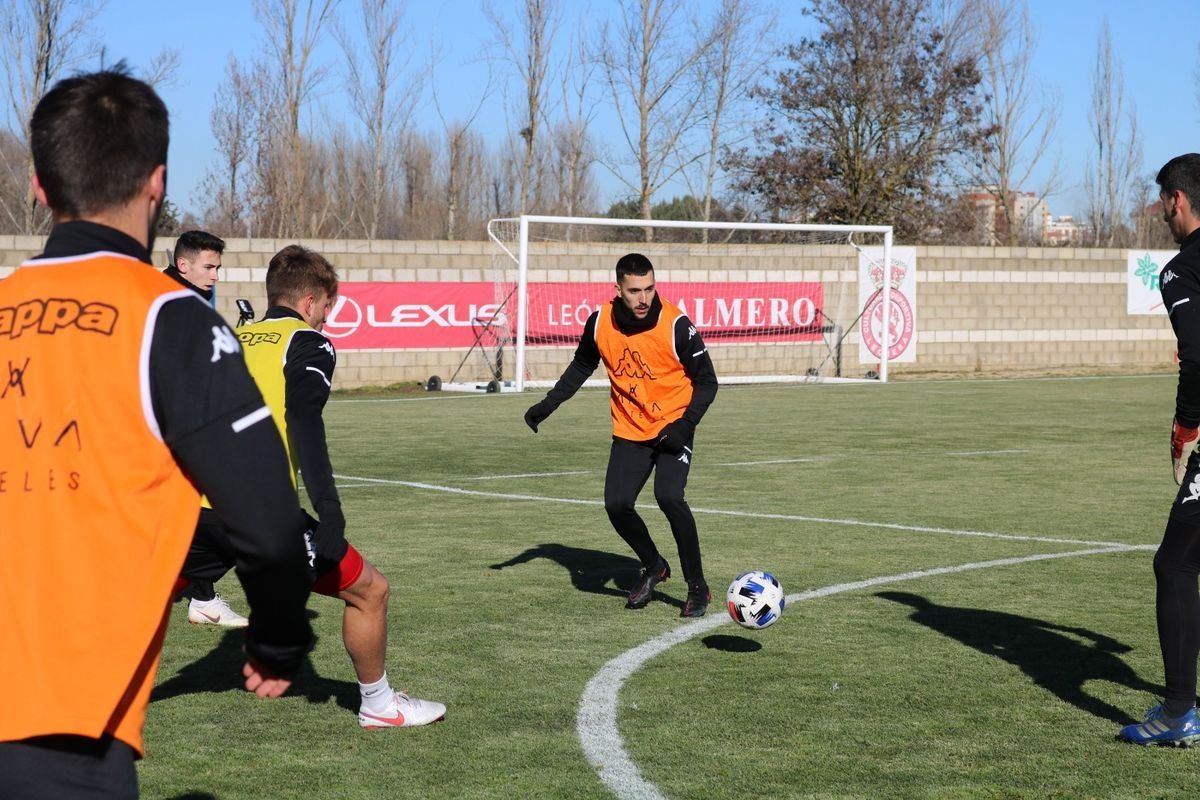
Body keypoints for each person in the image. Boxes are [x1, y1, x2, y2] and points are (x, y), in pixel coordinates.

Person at [0, 66, 313, 799]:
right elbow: (266, 523)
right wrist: (277, 638)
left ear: (41, 188)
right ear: (157, 183)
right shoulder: (168, 319)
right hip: (59, 721)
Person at [180, 244, 447, 730]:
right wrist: (331, 510)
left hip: (192, 507)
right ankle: (380, 705)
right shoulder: (308, 342)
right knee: (371, 591)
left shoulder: (231, 337)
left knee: (129, 609)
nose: (326, 319)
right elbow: (304, 420)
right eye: (327, 309)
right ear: (309, 303)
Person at [523, 253, 718, 617]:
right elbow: (583, 363)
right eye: (634, 291)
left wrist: (684, 425)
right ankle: (654, 565)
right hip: (630, 428)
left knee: (669, 497)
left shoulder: (675, 324)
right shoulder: (599, 323)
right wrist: (548, 404)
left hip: (674, 425)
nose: (643, 298)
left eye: (649, 288)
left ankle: (698, 586)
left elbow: (708, 382)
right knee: (616, 504)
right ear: (618, 290)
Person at [1119, 153, 1200, 747]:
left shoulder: (1180, 271)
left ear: (1176, 200)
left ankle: (1177, 714)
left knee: (1174, 564)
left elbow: (1197, 357)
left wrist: (1187, 428)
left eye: (1164, 206)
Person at [161, 229, 248, 628]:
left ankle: (201, 594)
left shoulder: (189, 294)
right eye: (208, 266)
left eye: (218, 267)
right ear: (184, 265)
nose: (215, 275)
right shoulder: (167, 298)